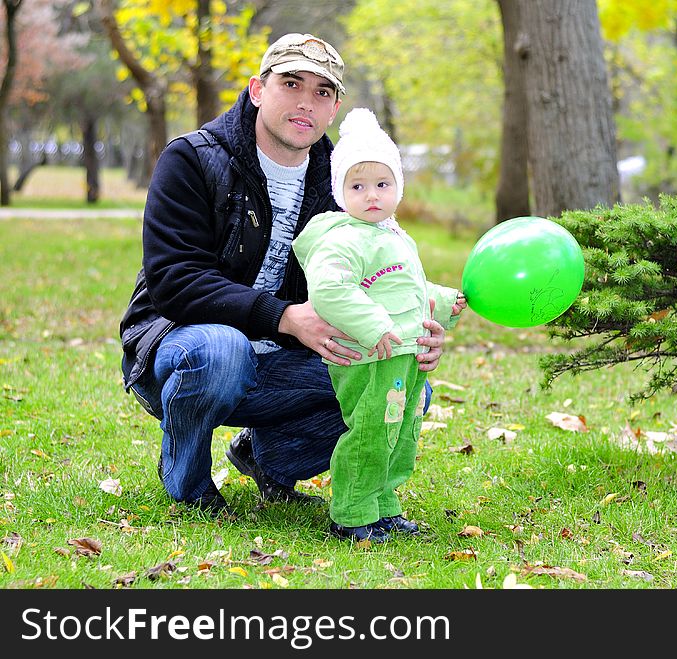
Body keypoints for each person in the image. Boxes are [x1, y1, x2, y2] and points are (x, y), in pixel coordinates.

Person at [118, 33, 449, 515]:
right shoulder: (192, 160)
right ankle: (188, 483)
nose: (305, 102)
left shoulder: (345, 185)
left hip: (282, 361)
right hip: (180, 348)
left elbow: (380, 280)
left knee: (402, 389)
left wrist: (412, 330)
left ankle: (269, 458)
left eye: (322, 92)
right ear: (257, 90)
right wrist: (286, 316)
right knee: (221, 350)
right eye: (291, 83)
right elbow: (175, 281)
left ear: (334, 108)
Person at [292, 109, 466, 543]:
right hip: (368, 355)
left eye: (382, 184)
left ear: (398, 188)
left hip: (403, 355)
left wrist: (443, 301)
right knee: (371, 431)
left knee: (401, 432)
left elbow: (406, 287)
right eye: (358, 186)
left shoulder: (392, 235)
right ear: (340, 191)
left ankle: (382, 507)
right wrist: (373, 325)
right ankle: (351, 515)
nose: (371, 195)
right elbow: (330, 290)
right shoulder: (342, 238)